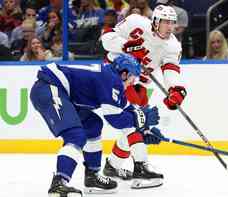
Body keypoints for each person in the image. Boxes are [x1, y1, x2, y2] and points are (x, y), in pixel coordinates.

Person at [30, 53, 160, 196]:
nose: (132, 82)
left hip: (60, 92)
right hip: (50, 88)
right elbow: (115, 118)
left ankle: (92, 177)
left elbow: (127, 109)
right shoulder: (112, 80)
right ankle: (59, 184)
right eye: (132, 78)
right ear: (124, 74)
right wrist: (142, 120)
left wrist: (145, 130)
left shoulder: (111, 77)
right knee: (76, 136)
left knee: (92, 125)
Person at [101, 5, 186, 189]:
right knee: (135, 123)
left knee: (137, 126)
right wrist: (125, 46)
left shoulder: (173, 46)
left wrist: (176, 90)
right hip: (117, 76)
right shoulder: (135, 21)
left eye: (172, 23)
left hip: (139, 86)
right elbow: (106, 39)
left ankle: (112, 166)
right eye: (165, 22)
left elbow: (170, 70)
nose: (169, 27)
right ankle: (141, 167)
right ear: (155, 21)